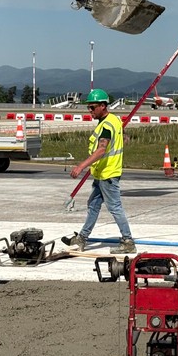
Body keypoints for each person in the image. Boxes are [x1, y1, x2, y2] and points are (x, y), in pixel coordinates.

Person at [62, 88, 136, 254]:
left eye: (93, 107)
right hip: (102, 174)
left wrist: (81, 166)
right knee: (93, 205)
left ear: (103, 106)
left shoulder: (106, 126)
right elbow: (123, 137)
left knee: (115, 208)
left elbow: (101, 150)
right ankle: (82, 238)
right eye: (88, 107)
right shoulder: (113, 120)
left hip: (108, 175)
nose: (90, 111)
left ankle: (128, 241)